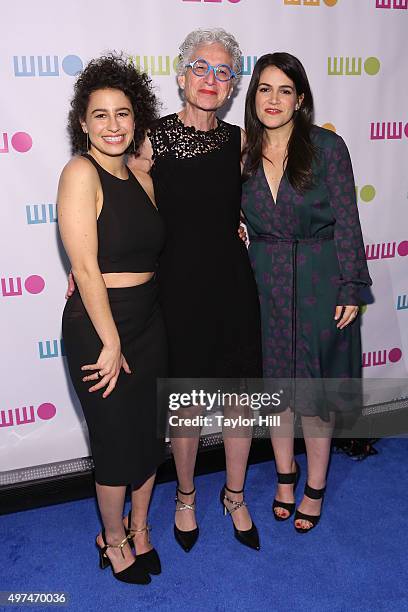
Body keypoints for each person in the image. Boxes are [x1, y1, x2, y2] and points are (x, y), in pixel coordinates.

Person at [129, 28, 263, 551]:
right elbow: (118, 203)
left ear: (233, 87)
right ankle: (185, 497)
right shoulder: (150, 138)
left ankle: (234, 493)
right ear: (182, 75)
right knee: (186, 404)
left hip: (232, 285)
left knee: (238, 401)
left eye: (224, 71)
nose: (212, 79)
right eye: (201, 68)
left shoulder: (240, 141)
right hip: (176, 290)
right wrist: (87, 261)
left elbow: (274, 196)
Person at [241, 53, 372, 532]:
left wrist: (352, 285)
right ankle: (284, 475)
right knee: (276, 391)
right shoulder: (242, 152)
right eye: (264, 89)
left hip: (321, 277)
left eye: (284, 90)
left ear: (300, 99)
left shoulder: (327, 148)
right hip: (263, 281)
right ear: (252, 96)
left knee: (314, 392)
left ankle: (314, 484)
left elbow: (349, 223)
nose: (273, 99)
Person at [59, 54, 167, 583]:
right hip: (101, 328)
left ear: (136, 118)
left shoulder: (144, 178)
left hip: (149, 322)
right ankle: (113, 537)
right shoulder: (80, 172)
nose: (112, 125)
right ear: (83, 123)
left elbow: (156, 251)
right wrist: (110, 342)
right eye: (99, 115)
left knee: (150, 437)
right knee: (116, 441)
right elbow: (84, 264)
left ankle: (142, 528)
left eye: (122, 113)